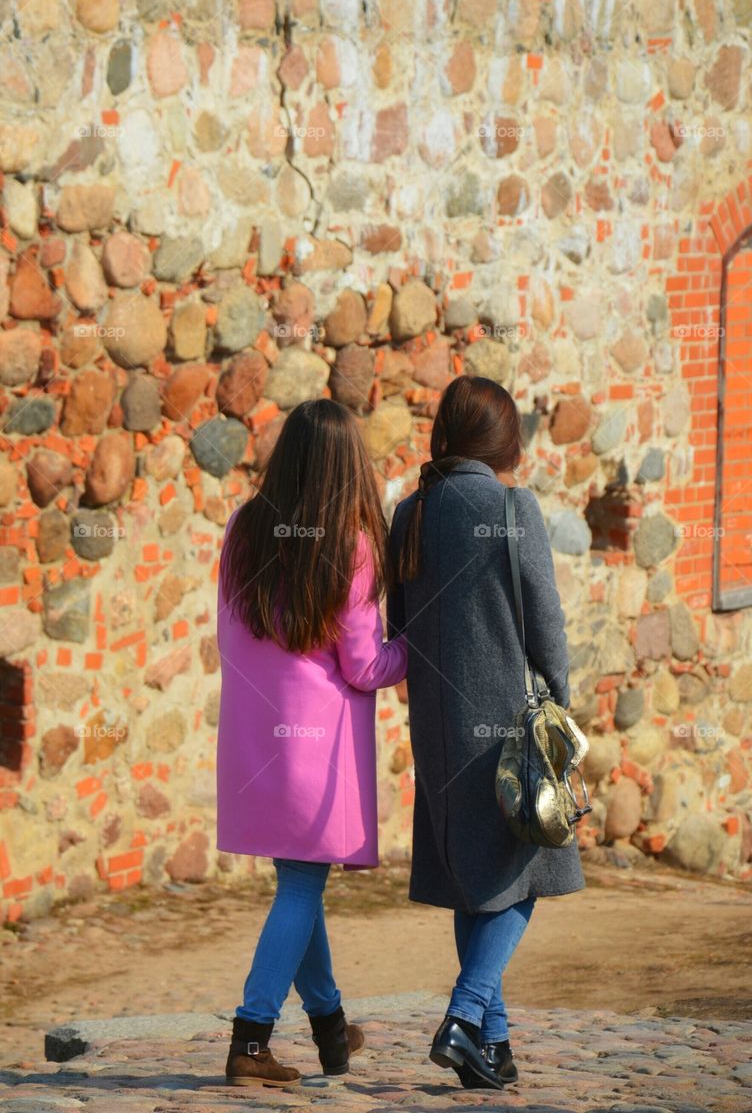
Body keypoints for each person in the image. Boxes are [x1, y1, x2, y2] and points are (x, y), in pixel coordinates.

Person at [388, 375, 585, 1091]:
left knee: (477, 883)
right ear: (504, 441)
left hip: (438, 731)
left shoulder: (408, 513)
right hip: (508, 727)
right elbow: (546, 618)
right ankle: (465, 1015)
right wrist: (561, 695)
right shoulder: (511, 506)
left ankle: (490, 1049)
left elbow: (396, 628)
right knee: (529, 868)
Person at [216, 399, 408, 1087]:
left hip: (255, 741)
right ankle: (252, 1037)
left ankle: (330, 1027)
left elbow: (226, 635)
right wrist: (416, 646)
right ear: (345, 466)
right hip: (312, 753)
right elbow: (364, 666)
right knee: (300, 887)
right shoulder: (350, 544)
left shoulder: (243, 527)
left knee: (299, 885)